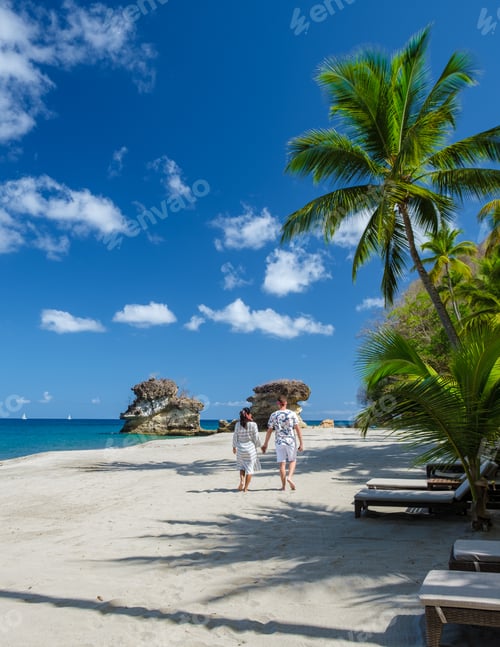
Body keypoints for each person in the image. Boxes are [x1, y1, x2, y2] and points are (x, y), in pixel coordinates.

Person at [261, 397, 304, 491]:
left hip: (279, 441)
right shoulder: (292, 414)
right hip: (290, 441)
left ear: (278, 403)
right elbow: (297, 429)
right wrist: (301, 443)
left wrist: (265, 444)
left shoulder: (274, 415)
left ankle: (283, 486)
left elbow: (269, 430)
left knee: (282, 464)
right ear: (286, 403)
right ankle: (290, 478)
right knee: (292, 460)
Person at [232, 407, 261, 492]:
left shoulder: (237, 424)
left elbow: (235, 436)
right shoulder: (253, 424)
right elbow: (256, 437)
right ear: (248, 415)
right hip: (250, 449)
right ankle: (246, 488)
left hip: (240, 449)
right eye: (250, 413)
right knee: (249, 469)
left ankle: (241, 481)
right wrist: (258, 445)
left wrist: (234, 447)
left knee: (242, 467)